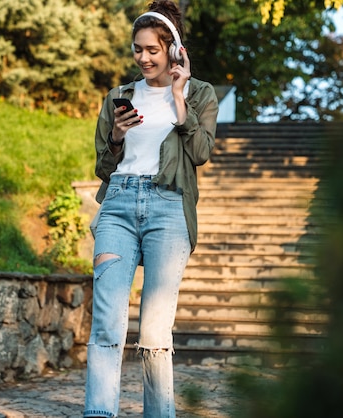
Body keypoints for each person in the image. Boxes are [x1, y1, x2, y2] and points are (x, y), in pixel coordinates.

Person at [83, 1, 219, 417]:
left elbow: (200, 153)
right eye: (137, 49)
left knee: (156, 333)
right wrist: (118, 138)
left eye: (152, 50)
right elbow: (103, 167)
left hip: (168, 209)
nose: (142, 58)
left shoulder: (199, 94)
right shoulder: (118, 97)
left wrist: (179, 97)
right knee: (106, 324)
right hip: (118, 206)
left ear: (174, 51)